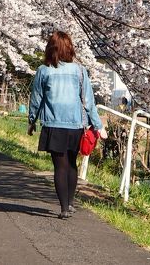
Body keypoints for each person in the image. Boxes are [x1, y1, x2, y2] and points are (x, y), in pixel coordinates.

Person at [28, 30, 107, 218]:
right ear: (70, 49)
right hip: (76, 125)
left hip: (53, 124)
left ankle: (64, 208)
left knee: (60, 167)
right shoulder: (79, 71)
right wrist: (98, 126)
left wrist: (32, 121)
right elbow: (88, 101)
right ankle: (70, 203)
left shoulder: (44, 70)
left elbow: (36, 99)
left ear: (51, 49)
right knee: (72, 164)